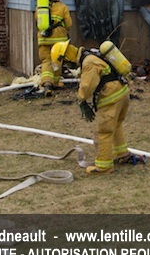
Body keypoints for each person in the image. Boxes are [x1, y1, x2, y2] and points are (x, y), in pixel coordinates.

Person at [51, 41, 143, 175]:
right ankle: (122, 154)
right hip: (122, 93)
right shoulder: (91, 54)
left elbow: (87, 87)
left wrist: (81, 99)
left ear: (66, 57)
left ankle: (103, 167)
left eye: (64, 63)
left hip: (111, 98)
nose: (67, 66)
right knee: (116, 125)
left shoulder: (88, 63)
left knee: (103, 131)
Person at [37, 0, 72, 96]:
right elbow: (69, 24)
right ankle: (56, 83)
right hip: (58, 40)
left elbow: (37, 21)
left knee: (46, 61)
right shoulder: (63, 7)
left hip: (43, 38)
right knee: (57, 60)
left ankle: (47, 84)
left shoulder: (40, 7)